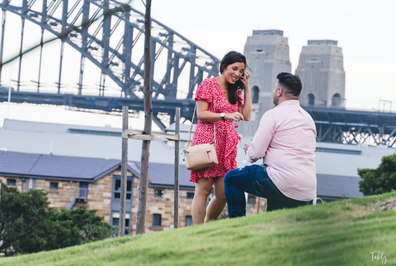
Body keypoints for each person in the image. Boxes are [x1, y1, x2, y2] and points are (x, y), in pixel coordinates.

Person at [224, 72, 317, 217]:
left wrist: (250, 150)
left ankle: (236, 224)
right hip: (306, 189)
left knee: (231, 178)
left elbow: (256, 154)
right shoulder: (308, 118)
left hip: (282, 182)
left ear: (279, 91)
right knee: (276, 218)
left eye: (275, 89)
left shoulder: (273, 115)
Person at [190, 51, 252, 224]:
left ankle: (209, 225)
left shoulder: (235, 91)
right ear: (224, 66)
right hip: (207, 142)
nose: (237, 74)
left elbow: (246, 116)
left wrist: (246, 88)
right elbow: (201, 114)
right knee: (203, 190)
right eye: (234, 69)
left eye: (241, 71)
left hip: (227, 146)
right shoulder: (208, 84)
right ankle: (196, 230)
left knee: (223, 194)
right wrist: (225, 115)